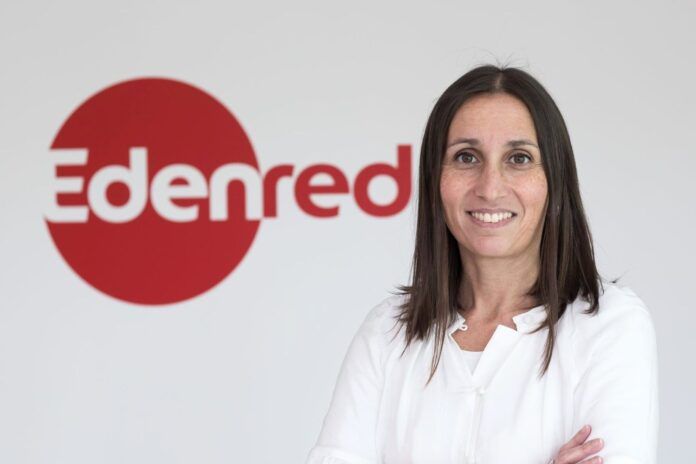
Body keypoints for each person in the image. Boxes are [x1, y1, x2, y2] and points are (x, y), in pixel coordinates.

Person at [305, 65, 659, 464]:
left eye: (519, 158)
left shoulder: (609, 325)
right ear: (435, 180)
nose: (490, 187)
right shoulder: (387, 332)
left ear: (554, 181)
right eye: (467, 157)